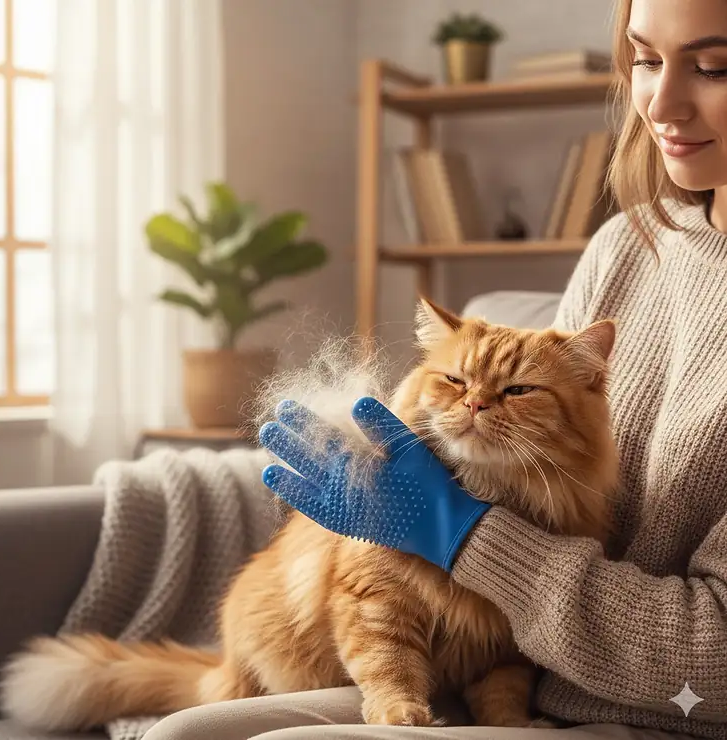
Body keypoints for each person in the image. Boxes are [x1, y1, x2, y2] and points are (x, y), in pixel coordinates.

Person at [145, 0, 727, 737]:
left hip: (663, 716)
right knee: (180, 733)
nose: (662, 104)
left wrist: (463, 535)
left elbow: (716, 664)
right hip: (514, 673)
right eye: (645, 58)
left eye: (714, 67)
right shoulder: (627, 243)